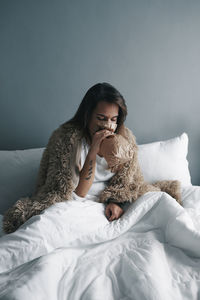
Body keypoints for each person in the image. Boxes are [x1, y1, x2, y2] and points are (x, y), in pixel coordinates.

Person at [3, 82, 181, 234]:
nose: (108, 126)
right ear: (87, 116)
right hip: (76, 203)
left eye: (113, 119)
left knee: (160, 204)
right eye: (101, 118)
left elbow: (126, 183)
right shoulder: (68, 140)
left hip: (106, 205)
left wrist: (116, 202)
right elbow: (77, 192)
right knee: (44, 227)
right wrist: (93, 150)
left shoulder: (124, 140)